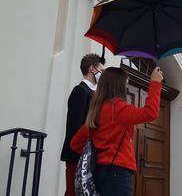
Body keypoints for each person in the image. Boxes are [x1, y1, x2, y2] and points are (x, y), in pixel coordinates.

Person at [70, 66, 163, 196]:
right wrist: (155, 83)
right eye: (125, 84)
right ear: (118, 86)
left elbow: (75, 144)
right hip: (118, 173)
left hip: (98, 171)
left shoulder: (96, 111)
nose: (125, 88)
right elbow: (151, 113)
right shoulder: (119, 108)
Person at [60, 53, 105, 196]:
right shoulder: (80, 91)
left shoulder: (95, 93)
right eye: (102, 70)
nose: (103, 74)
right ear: (92, 69)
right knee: (74, 192)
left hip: (89, 155)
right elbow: (76, 126)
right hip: (77, 154)